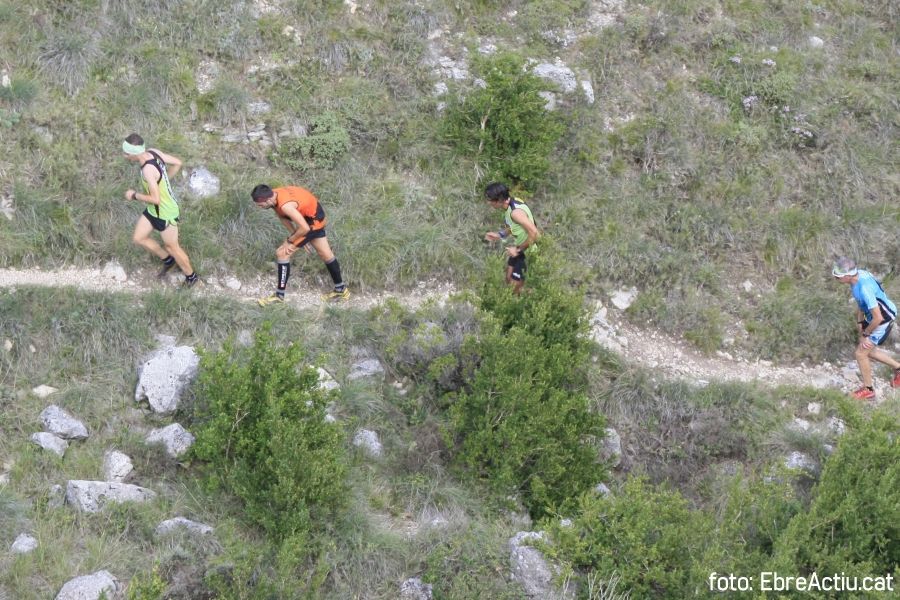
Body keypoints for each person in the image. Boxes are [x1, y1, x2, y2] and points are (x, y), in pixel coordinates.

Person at [251, 184, 349, 305]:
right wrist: (297, 237)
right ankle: (341, 289)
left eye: (260, 205)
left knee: (282, 253)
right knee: (325, 254)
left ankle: (278, 297)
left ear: (269, 199)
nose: (260, 207)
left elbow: (304, 228)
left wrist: (291, 240)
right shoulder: (273, 194)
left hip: (312, 222)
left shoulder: (286, 205)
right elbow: (282, 217)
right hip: (313, 216)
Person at [122, 133, 198, 287]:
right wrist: (163, 181)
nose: (124, 155)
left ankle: (192, 277)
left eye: (126, 153)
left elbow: (156, 199)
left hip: (165, 212)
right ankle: (168, 260)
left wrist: (134, 195)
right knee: (139, 238)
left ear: (134, 154)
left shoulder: (147, 171)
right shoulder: (153, 152)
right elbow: (177, 162)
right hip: (153, 210)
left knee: (173, 247)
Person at [832, 256, 900, 399]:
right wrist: (860, 323)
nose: (835, 278)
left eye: (838, 276)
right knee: (870, 350)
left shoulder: (864, 288)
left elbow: (878, 317)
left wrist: (866, 334)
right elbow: (861, 305)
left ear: (848, 276)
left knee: (861, 353)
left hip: (883, 319)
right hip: (875, 316)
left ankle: (868, 390)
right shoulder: (858, 276)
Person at [482, 182, 540, 295]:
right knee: (508, 279)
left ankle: (537, 300)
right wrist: (500, 235)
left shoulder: (515, 213)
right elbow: (514, 226)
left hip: (528, 251)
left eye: (490, 200)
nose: (488, 202)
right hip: (520, 248)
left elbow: (535, 234)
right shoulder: (510, 205)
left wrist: (518, 250)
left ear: (499, 200)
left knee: (514, 287)